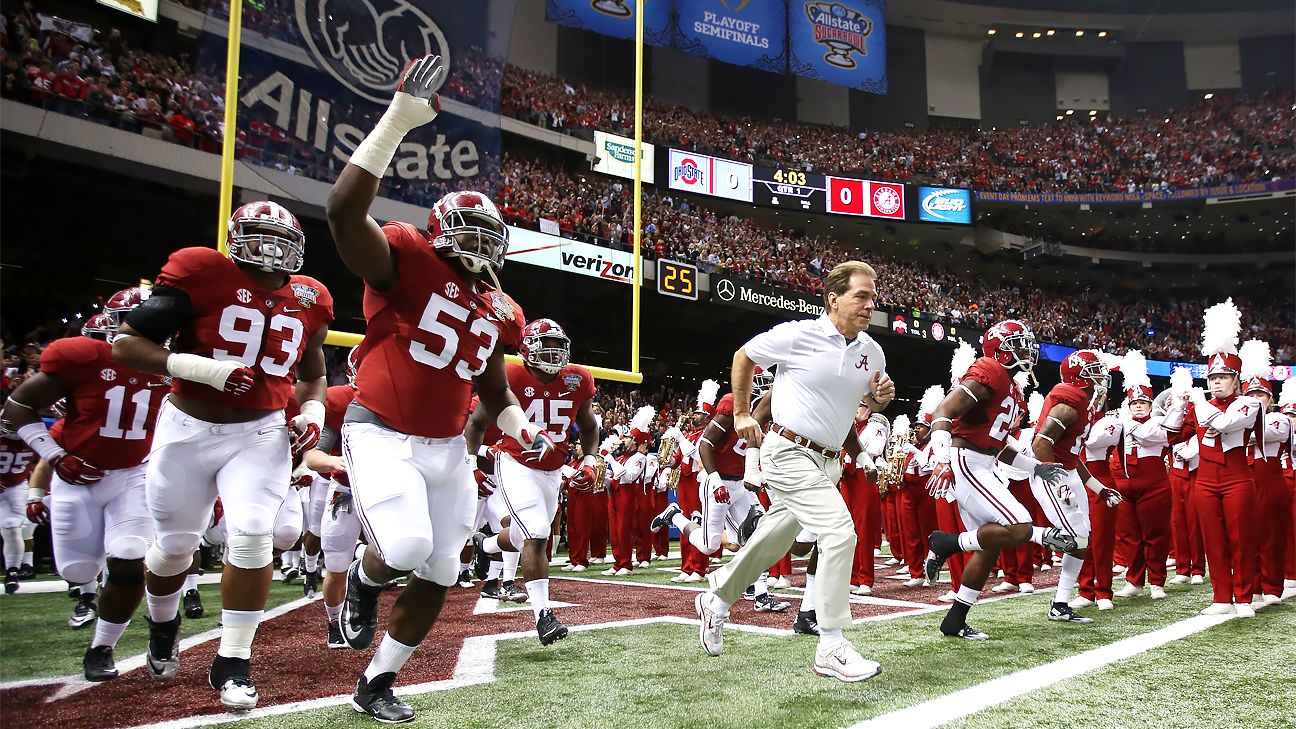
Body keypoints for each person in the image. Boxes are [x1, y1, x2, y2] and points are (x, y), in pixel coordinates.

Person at [324, 54, 548, 724]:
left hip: (448, 446)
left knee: (444, 569)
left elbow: (493, 391)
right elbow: (342, 213)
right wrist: (397, 122)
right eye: (469, 232)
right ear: (442, 232)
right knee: (403, 549)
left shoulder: (498, 310)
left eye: (489, 236)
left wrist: (521, 428)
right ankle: (363, 577)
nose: (480, 244)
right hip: (382, 429)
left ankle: (377, 681)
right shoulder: (407, 258)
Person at [112, 201, 332, 709]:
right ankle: (162, 622)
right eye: (259, 236)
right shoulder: (203, 271)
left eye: (280, 239)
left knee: (253, 534)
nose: (271, 249)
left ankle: (233, 660)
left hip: (261, 432)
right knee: (175, 546)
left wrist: (313, 413)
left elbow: (313, 373)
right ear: (235, 238)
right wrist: (205, 369)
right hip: (187, 428)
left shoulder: (310, 297)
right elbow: (127, 344)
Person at [693, 261, 893, 683]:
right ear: (833, 299)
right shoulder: (799, 334)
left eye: (873, 298)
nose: (869, 305)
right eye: (861, 296)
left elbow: (858, 405)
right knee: (840, 532)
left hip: (829, 460)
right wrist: (742, 412)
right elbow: (745, 356)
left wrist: (879, 399)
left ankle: (717, 598)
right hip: (788, 450)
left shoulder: (872, 352)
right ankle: (831, 644)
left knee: (773, 540)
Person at [3, 289, 165, 682]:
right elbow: (17, 407)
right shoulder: (86, 358)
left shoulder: (174, 366)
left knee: (129, 557)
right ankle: (86, 597)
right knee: (77, 570)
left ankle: (102, 647)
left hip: (134, 473)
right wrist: (56, 456)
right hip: (76, 476)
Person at [921, 320, 1080, 641]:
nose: (1026, 350)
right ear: (1001, 350)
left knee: (990, 546)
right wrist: (941, 459)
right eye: (1018, 344)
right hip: (966, 460)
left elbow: (1000, 446)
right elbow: (943, 411)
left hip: (983, 461)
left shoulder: (1012, 388)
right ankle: (947, 542)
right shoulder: (989, 370)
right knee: (1019, 525)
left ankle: (954, 618)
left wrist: (1035, 468)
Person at [465, 318, 599, 645]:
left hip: (553, 470)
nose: (554, 354)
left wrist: (589, 459)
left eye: (558, 346)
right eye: (546, 346)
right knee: (537, 532)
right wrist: (471, 466)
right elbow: (476, 423)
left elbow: (589, 426)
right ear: (527, 349)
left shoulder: (578, 379)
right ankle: (544, 615)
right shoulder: (511, 375)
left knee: (526, 533)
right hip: (516, 463)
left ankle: (487, 545)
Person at [1028, 350, 1128, 623]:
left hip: (1068, 471)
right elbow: (1040, 444)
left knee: (1082, 538)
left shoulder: (1085, 404)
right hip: (1050, 473)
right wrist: (1059, 483)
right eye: (1094, 371)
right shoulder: (1068, 404)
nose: (1101, 377)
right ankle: (1020, 532)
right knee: (1074, 537)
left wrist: (1098, 488)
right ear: (1079, 377)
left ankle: (1060, 604)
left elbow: (1072, 455)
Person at [1184, 300, 1263, 616]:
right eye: (1212, 377)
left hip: (1236, 478)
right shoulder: (1202, 406)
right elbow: (1172, 433)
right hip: (1205, 480)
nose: (1216, 382)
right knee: (1213, 540)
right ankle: (1221, 597)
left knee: (1240, 539)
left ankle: (1243, 598)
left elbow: (1224, 423)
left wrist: (1198, 403)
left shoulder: (1248, 404)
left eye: (1223, 377)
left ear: (1236, 379)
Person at [1108, 351, 1183, 602]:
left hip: (1153, 485)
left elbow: (1156, 435)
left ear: (1151, 406)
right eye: (1134, 403)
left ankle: (1157, 581)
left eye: (1143, 403)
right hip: (1124, 485)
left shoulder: (1158, 423)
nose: (1138, 406)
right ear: (1128, 406)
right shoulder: (1120, 423)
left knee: (1155, 535)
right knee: (1129, 536)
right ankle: (1134, 580)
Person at [1240, 340, 1290, 609]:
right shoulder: (1238, 418)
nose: (1257, 399)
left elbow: (1263, 433)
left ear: (1270, 399)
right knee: (1246, 535)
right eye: (1252, 394)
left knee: (1271, 535)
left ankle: (1272, 585)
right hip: (1243, 478)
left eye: (1261, 395)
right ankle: (1253, 585)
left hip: (1268, 480)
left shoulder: (1278, 419)